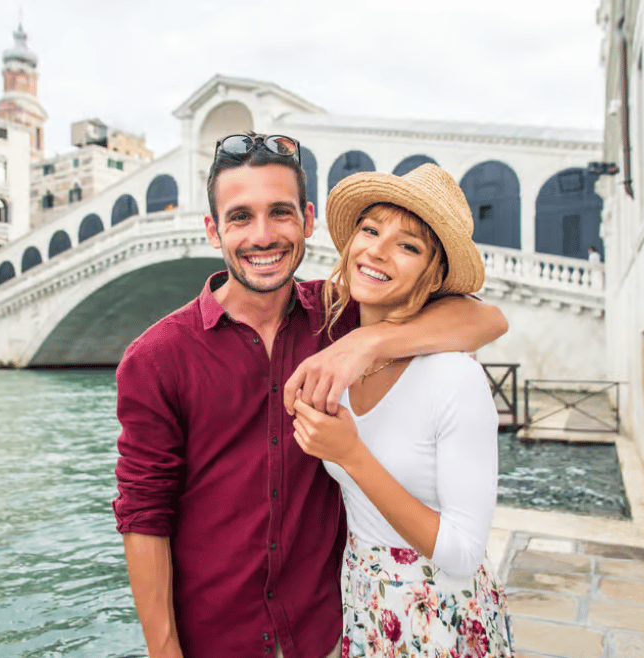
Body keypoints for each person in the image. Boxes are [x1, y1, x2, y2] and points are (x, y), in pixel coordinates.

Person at [113, 134, 508, 658]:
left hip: (331, 630)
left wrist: (364, 343)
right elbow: (144, 513)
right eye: (240, 217)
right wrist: (164, 650)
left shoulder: (343, 316)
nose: (263, 236)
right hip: (217, 638)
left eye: (280, 213)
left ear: (307, 220)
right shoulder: (156, 357)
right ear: (213, 230)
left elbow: (486, 317)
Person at [291, 164, 513, 657]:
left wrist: (351, 456)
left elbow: (462, 552)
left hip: (438, 615)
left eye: (408, 246)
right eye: (370, 230)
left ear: (434, 275)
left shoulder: (453, 377)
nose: (377, 249)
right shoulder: (338, 360)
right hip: (364, 605)